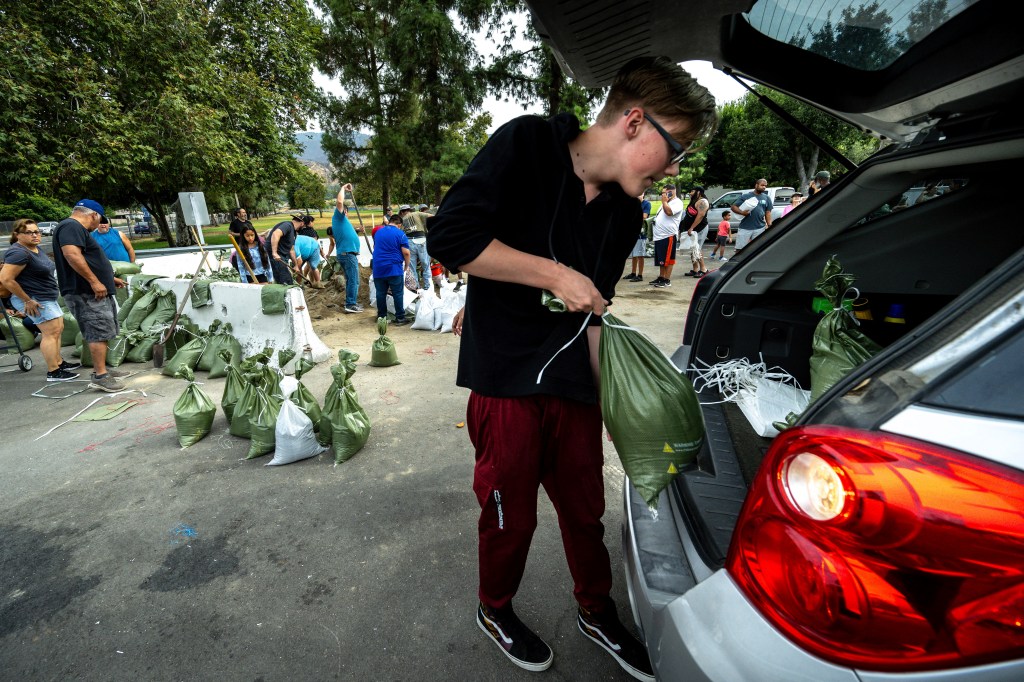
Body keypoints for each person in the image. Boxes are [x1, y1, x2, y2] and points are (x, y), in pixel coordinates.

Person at [426, 55, 717, 681]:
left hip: (572, 386)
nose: (674, 168)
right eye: (676, 149)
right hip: (504, 377)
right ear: (634, 122)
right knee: (511, 511)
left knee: (586, 508)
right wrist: (557, 274)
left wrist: (619, 403)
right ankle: (495, 606)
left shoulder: (625, 213)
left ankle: (596, 609)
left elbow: (591, 312)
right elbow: (452, 238)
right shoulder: (528, 143)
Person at [52, 199, 129, 393]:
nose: (98, 224)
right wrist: (94, 282)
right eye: (99, 219)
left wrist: (110, 279)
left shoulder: (73, 228)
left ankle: (103, 370)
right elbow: (72, 255)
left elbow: (88, 258)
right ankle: (100, 376)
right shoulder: (71, 226)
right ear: (93, 214)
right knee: (97, 330)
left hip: (91, 290)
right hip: (85, 291)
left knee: (102, 329)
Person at [1, 219, 81, 381]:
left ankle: (59, 362)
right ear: (17, 235)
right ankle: (53, 371)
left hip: (46, 297)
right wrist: (27, 300)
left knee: (58, 329)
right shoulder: (18, 252)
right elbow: (6, 279)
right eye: (29, 232)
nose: (35, 235)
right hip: (34, 299)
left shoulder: (34, 249)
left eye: (37, 231)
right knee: (50, 333)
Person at [326, 182, 364, 313]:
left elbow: (346, 233)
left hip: (346, 253)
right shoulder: (338, 217)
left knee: (352, 280)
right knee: (354, 280)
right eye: (345, 211)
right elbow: (340, 202)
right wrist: (343, 188)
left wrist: (358, 230)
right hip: (347, 254)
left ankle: (351, 302)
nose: (345, 213)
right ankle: (350, 304)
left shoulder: (343, 222)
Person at [371, 214, 411, 325]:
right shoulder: (400, 234)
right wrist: (406, 266)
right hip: (393, 267)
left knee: (380, 293)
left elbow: (375, 248)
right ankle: (400, 318)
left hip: (378, 267)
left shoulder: (379, 232)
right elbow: (406, 252)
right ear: (399, 224)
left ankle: (381, 317)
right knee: (397, 293)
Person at [649, 184, 683, 287]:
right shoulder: (667, 202)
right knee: (661, 259)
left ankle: (666, 280)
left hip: (668, 235)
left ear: (671, 192)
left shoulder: (677, 203)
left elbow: (669, 212)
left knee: (668, 259)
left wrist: (664, 202)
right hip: (660, 236)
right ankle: (661, 277)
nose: (662, 195)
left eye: (664, 193)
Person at [730, 178, 773, 250]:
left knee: (758, 249)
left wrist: (770, 226)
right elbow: (733, 207)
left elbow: (768, 212)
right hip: (745, 227)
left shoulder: (766, 198)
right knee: (740, 249)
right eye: (762, 185)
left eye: (765, 186)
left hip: (760, 228)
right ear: (756, 185)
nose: (764, 187)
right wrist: (742, 212)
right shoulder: (746, 196)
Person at [680, 186, 710, 278]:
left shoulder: (703, 202)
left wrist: (692, 227)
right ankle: (695, 269)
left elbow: (700, 216)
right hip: (692, 229)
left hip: (700, 228)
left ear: (699, 192)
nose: (690, 193)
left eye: (692, 191)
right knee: (693, 249)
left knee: (697, 249)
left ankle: (704, 270)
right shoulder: (694, 200)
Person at [266, 214, 303, 285]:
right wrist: (274, 252)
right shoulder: (287, 225)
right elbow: (275, 234)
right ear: (302, 223)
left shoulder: (294, 233)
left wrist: (295, 265)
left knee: (285, 279)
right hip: (274, 256)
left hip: (280, 257)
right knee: (286, 280)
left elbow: (291, 250)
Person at [403, 203, 433, 290]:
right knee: (426, 265)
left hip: (409, 241)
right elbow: (431, 215)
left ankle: (416, 288)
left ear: (402, 212)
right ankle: (428, 287)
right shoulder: (418, 214)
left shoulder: (402, 219)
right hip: (421, 239)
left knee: (412, 267)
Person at [623, 194, 650, 282]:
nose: (638, 196)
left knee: (640, 254)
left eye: (641, 194)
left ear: (644, 195)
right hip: (632, 232)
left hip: (641, 233)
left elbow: (644, 216)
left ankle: (640, 275)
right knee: (634, 254)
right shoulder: (633, 203)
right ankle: (633, 272)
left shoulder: (646, 204)